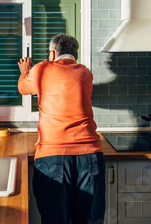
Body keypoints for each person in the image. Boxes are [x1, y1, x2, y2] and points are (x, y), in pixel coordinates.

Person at [18, 34, 105, 224]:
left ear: (52, 53)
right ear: (76, 54)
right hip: (90, 156)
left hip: (52, 157)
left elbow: (23, 88)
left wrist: (25, 72)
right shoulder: (85, 73)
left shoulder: (41, 69)